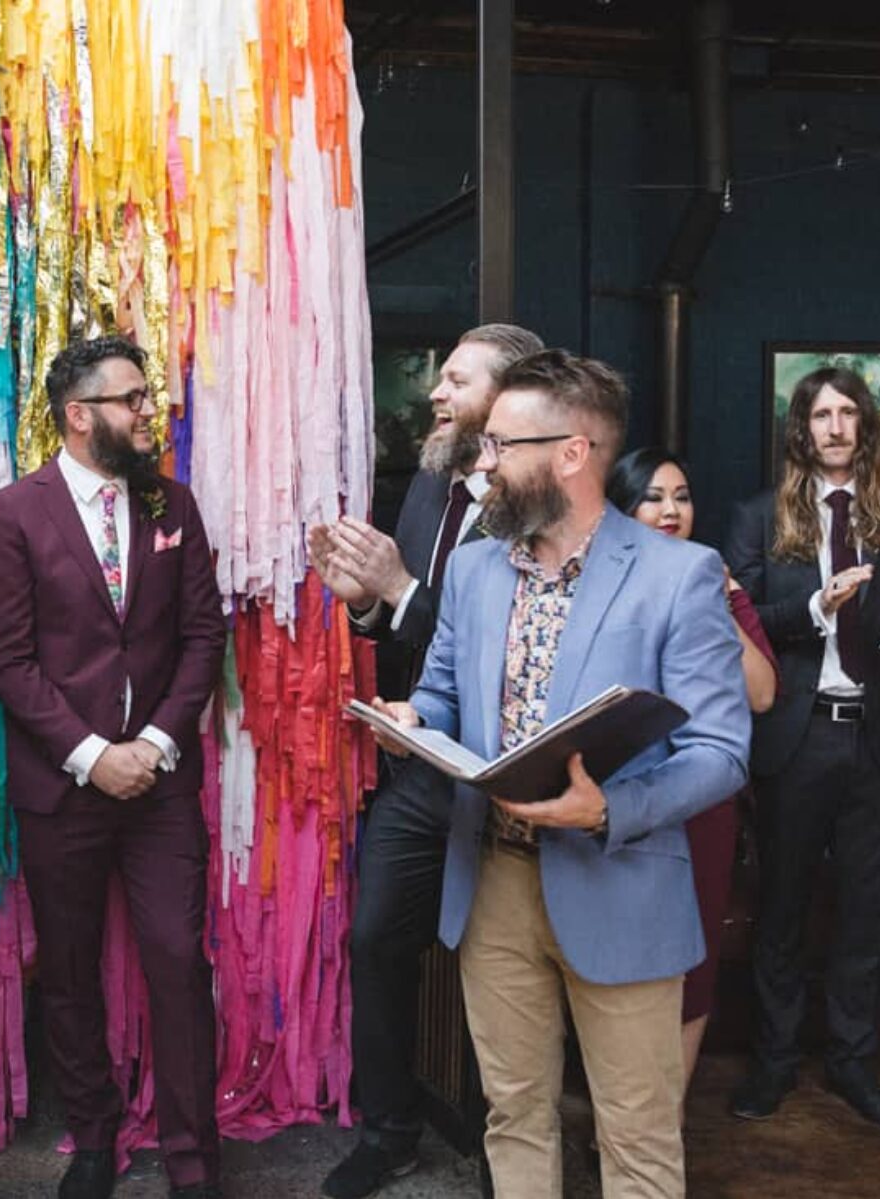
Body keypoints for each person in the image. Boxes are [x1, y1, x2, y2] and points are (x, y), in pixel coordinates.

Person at [371, 350, 750, 1198]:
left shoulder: (678, 575)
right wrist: (413, 722)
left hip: (621, 882)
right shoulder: (471, 568)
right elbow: (438, 691)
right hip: (492, 885)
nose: (484, 463)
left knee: (638, 1137)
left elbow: (721, 752)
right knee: (512, 1117)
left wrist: (608, 808)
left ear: (572, 453)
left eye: (502, 445)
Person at [0, 336, 226, 1199]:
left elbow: (203, 638)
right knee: (71, 968)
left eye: (145, 397)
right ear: (79, 415)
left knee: (176, 959)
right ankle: (92, 1138)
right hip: (63, 785)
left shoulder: (173, 507)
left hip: (160, 787)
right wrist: (90, 756)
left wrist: (152, 746)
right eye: (130, 400)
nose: (146, 413)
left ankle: (196, 1158)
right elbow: (8, 660)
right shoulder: (16, 512)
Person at [306, 323, 543, 1199]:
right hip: (420, 768)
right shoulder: (426, 491)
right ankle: (390, 1131)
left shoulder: (537, 506)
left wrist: (402, 590)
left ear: (509, 396)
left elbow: (505, 646)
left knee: (505, 957)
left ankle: (504, 1153)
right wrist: (368, 606)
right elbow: (413, 645)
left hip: (506, 774)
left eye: (455, 379)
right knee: (378, 940)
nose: (436, 394)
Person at [724, 367, 880, 1139]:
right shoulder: (758, 515)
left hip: (878, 732)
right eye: (821, 413)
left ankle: (854, 1064)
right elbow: (741, 621)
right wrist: (819, 607)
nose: (836, 425)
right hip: (798, 734)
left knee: (864, 909)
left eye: (849, 411)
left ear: (867, 425)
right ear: (801, 426)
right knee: (781, 905)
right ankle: (775, 1059)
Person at [607, 448, 777, 1093]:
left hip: (699, 796)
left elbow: (760, 694)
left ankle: (665, 1119)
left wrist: (710, 596)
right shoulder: (595, 582)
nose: (670, 510)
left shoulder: (715, 581)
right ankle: (616, 1114)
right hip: (614, 793)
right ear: (623, 506)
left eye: (681, 496)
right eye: (653, 497)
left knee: (692, 959)